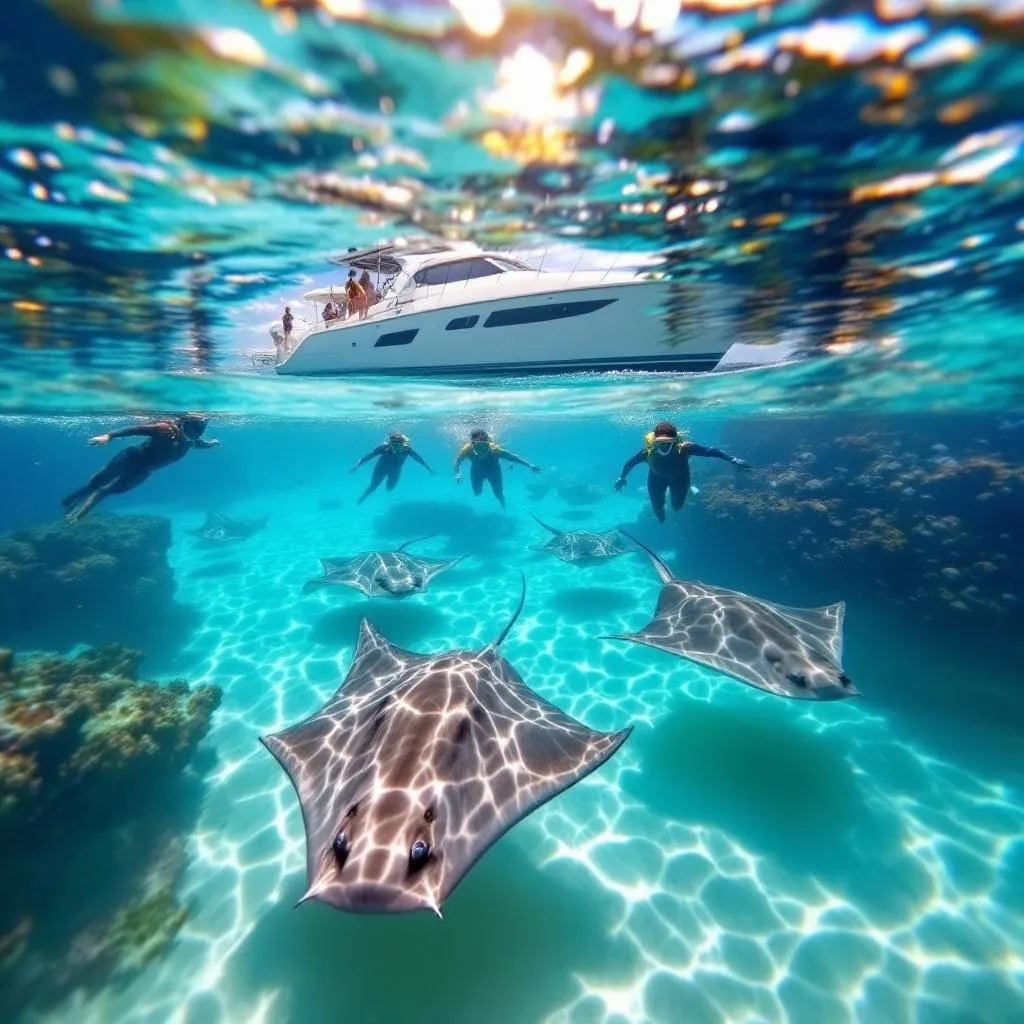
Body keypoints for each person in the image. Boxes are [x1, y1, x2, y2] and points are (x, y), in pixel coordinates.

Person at [61, 413, 220, 523]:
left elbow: (197, 444)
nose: (190, 437)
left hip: (143, 471)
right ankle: (74, 502)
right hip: (131, 457)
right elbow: (134, 430)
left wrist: (210, 444)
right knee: (96, 482)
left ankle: (78, 514)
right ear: (183, 424)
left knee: (106, 490)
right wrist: (109, 436)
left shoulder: (192, 439)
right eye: (189, 432)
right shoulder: (165, 429)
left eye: (194, 435)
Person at [614, 420, 750, 523]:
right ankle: (662, 519)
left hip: (680, 479)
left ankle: (688, 491)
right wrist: (622, 477)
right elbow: (630, 463)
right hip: (656, 479)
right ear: (654, 442)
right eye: (660, 443)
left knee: (677, 505)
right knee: (657, 509)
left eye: (667, 442)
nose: (664, 446)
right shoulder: (647, 452)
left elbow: (711, 451)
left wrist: (734, 459)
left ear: (675, 441)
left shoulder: (685, 448)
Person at [454, 429, 540, 509]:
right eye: (478, 448)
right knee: (477, 492)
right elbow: (457, 462)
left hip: (494, 471)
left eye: (484, 447)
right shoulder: (467, 450)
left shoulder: (495, 450)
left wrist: (529, 465)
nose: (481, 451)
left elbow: (513, 457)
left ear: (488, 444)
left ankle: (504, 508)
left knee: (499, 494)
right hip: (477, 470)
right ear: (472, 446)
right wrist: (457, 474)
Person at [350, 430, 433, 504]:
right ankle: (362, 498)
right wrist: (358, 465)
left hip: (395, 470)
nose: (396, 447)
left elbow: (418, 459)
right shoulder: (384, 447)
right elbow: (370, 455)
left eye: (399, 445)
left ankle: (385, 499)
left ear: (403, 443)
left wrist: (428, 468)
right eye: (394, 444)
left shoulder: (407, 449)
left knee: (390, 487)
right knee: (373, 486)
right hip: (381, 469)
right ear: (390, 443)